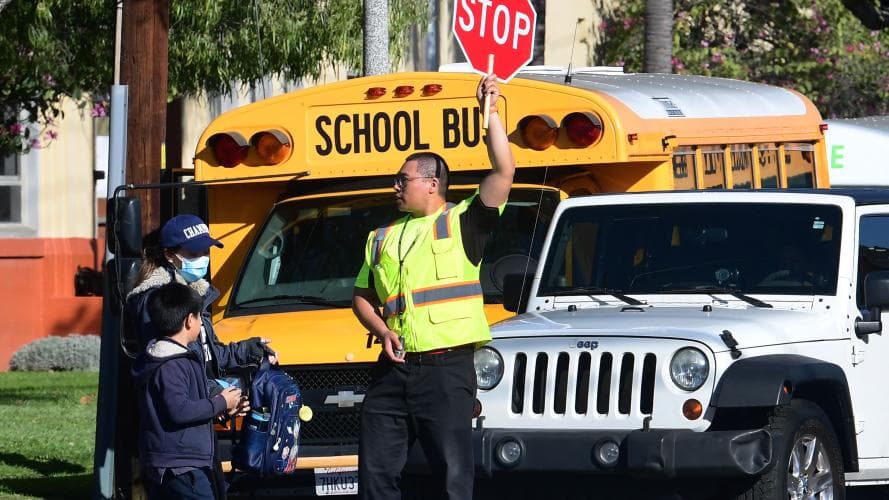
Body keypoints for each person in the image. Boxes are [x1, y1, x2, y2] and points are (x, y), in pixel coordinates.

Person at [352, 73, 515, 500]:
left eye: (401, 180)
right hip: (392, 369)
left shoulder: (464, 222)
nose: (395, 186)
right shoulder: (381, 236)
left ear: (431, 183)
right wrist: (383, 331)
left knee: (451, 480)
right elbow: (362, 298)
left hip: (446, 372)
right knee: (374, 479)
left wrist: (490, 114)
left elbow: (504, 169)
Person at [125, 213, 275, 498]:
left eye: (205, 251)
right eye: (193, 253)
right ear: (170, 255)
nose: (203, 259)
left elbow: (208, 354)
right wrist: (220, 400)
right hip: (177, 448)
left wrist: (249, 350)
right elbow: (175, 369)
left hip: (197, 435)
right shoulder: (161, 302)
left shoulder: (192, 294)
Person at [132, 282, 247, 500]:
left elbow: (186, 405)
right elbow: (180, 411)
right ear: (189, 321)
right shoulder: (172, 364)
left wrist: (222, 409)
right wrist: (219, 402)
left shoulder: (174, 359)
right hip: (180, 466)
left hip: (177, 462)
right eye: (199, 317)